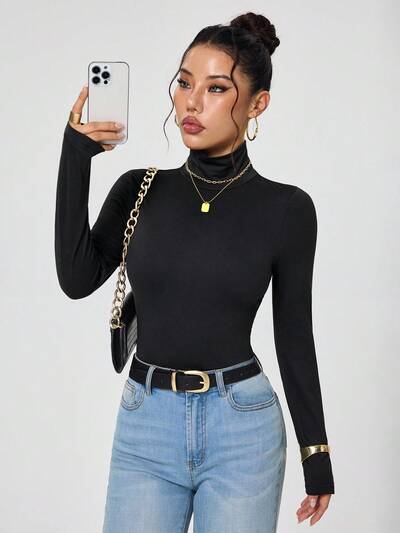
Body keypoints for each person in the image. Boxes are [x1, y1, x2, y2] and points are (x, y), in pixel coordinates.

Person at [55, 11, 334, 533]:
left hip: (242, 429)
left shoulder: (287, 210)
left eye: (216, 88)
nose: (192, 101)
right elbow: (75, 278)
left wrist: (315, 454)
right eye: (185, 83)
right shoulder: (140, 190)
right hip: (146, 426)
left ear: (257, 104)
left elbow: (294, 334)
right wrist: (76, 155)